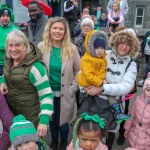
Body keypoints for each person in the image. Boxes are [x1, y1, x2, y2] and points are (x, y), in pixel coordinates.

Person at [83, 29, 140, 150]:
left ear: (132, 46)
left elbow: (126, 87)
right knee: (91, 137)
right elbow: (84, 71)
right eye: (122, 42)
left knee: (108, 139)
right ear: (116, 41)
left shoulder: (132, 64)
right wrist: (85, 87)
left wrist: (101, 88)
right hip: (94, 103)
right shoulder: (104, 54)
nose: (124, 47)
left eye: (128, 44)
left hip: (114, 108)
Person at [0, 30, 53, 137]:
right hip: (13, 117)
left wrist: (43, 121)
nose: (13, 49)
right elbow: (5, 75)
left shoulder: (35, 68)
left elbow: (46, 95)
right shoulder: (8, 60)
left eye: (17, 45)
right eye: (10, 45)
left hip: (31, 119)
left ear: (25, 46)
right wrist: (3, 81)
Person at [37, 17, 80, 150]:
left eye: (61, 29)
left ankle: (64, 143)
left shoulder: (72, 49)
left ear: (65, 32)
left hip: (65, 92)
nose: (57, 31)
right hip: (47, 92)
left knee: (63, 121)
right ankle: (54, 141)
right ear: (49, 30)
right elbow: (36, 67)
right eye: (55, 28)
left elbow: (79, 70)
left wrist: (72, 88)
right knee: (52, 119)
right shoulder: (42, 46)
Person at [124, 72, 150, 149]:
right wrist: (127, 128)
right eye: (148, 90)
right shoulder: (138, 99)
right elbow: (131, 114)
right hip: (134, 132)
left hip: (147, 137)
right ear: (144, 89)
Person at [0, 4, 19, 76]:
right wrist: (6, 46)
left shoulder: (15, 29)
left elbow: (19, 45)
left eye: (7, 16)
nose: (5, 18)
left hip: (11, 63)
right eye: (3, 16)